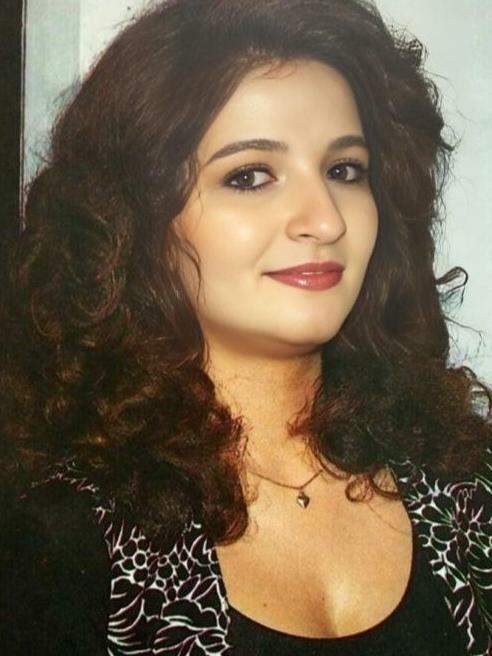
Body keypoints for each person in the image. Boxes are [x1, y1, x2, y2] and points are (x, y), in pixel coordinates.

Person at [0, 0, 491, 654]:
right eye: (251, 176)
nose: (325, 219)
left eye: (345, 170)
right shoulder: (60, 539)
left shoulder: (465, 487)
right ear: (139, 222)